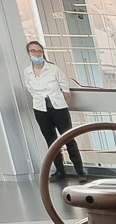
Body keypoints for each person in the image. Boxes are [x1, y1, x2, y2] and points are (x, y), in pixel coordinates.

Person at [22, 41, 85, 181]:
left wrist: (57, 98)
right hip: (40, 109)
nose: (36, 54)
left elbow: (66, 90)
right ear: (28, 53)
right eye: (33, 51)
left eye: (39, 51)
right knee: (51, 142)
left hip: (58, 108)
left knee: (68, 138)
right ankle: (60, 171)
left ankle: (80, 172)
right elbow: (30, 89)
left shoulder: (53, 69)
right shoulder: (27, 72)